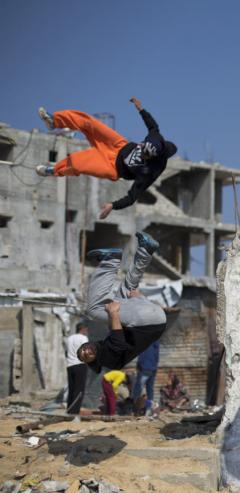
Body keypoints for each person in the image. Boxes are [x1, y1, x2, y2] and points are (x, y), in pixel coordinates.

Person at [35, 97, 178, 219]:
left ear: (155, 157)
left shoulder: (153, 170)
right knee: (88, 122)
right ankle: (54, 122)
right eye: (143, 149)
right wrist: (140, 109)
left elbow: (133, 196)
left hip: (112, 168)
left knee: (79, 163)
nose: (142, 153)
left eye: (146, 155)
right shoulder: (156, 137)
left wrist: (113, 205)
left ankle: (53, 170)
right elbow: (151, 124)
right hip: (118, 144)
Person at [76, 232, 167, 371]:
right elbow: (118, 342)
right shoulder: (107, 360)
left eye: (83, 349)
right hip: (147, 322)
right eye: (86, 356)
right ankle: (110, 260)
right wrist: (113, 314)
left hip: (154, 320)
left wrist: (140, 299)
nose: (86, 351)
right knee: (93, 310)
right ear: (93, 361)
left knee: (124, 292)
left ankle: (146, 250)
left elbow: (123, 336)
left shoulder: (106, 349)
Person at [64, 323, 90, 415]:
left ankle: (69, 410)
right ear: (82, 329)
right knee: (79, 390)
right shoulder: (83, 338)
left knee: (72, 388)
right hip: (80, 365)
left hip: (70, 365)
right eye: (86, 329)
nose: (87, 331)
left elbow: (66, 351)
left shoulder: (69, 338)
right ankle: (74, 412)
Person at [132, 340, 160, 416]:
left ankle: (134, 410)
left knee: (137, 390)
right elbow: (157, 355)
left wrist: (138, 365)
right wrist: (155, 366)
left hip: (144, 368)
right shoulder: (156, 341)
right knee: (150, 390)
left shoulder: (144, 340)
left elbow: (141, 355)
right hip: (153, 368)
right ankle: (149, 410)